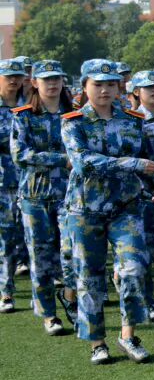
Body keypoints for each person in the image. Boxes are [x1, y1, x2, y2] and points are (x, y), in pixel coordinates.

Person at [62, 59, 154, 365]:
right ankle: (97, 342)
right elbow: (82, 162)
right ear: (85, 87)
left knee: (133, 269)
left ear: (120, 87)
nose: (105, 90)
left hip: (125, 207)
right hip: (85, 209)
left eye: (111, 84)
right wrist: (130, 164)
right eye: (97, 84)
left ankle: (128, 334)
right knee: (89, 277)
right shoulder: (73, 121)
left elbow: (151, 159)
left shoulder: (132, 121)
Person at [10, 59, 72, 334]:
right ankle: (49, 314)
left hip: (70, 196)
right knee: (41, 258)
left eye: (56, 78)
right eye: (46, 79)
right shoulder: (23, 116)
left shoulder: (75, 114)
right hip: (35, 198)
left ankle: (71, 299)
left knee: (72, 255)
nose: (52, 83)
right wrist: (62, 160)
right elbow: (21, 155)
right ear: (34, 82)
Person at [128, 69, 154, 319]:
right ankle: (148, 302)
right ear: (136, 93)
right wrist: (144, 191)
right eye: (147, 87)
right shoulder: (132, 121)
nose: (153, 91)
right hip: (144, 196)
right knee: (143, 253)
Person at [0, 58, 29, 314]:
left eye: (17, 75)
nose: (13, 79)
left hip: (30, 181)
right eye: (8, 75)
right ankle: (6, 291)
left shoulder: (29, 107)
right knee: (6, 239)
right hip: (3, 183)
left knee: (33, 237)